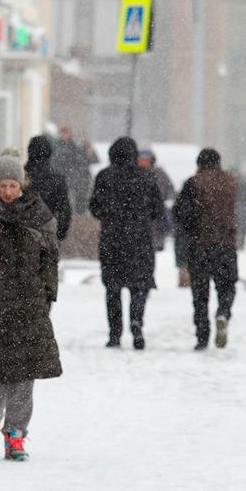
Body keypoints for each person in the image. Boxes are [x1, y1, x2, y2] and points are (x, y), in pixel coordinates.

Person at [0, 155, 61, 461]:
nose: (8, 191)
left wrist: (46, 294)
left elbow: (50, 259)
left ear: (22, 184)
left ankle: (16, 434)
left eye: (13, 185)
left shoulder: (38, 215)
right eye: (3, 185)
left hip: (30, 306)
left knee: (24, 377)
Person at [89, 137, 164, 350]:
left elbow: (94, 207)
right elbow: (157, 209)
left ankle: (114, 334)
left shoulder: (104, 176)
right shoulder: (147, 177)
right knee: (139, 286)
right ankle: (136, 321)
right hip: (139, 239)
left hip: (112, 240)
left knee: (113, 288)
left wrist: (110, 215)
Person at [173, 149, 239, 350]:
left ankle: (202, 335)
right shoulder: (231, 183)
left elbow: (180, 214)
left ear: (200, 164)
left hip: (200, 244)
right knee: (226, 286)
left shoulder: (193, 183)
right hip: (226, 245)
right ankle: (223, 313)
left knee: (200, 293)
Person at [25, 134, 72, 243]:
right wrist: (59, 233)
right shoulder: (57, 179)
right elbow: (64, 210)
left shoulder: (20, 177)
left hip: (22, 238)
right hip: (48, 236)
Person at [138, 149, 176, 252]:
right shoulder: (135, 175)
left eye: (146, 160)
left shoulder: (160, 174)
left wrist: (168, 201)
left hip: (157, 212)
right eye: (141, 160)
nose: (143, 163)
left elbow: (170, 189)